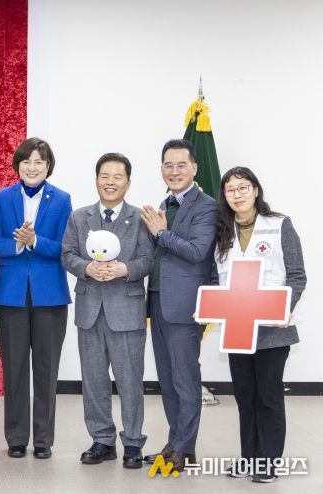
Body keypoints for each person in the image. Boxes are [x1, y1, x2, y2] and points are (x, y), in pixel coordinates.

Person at [62, 152, 155, 469]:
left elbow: (148, 260)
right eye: (105, 176)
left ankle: (133, 442)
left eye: (118, 176)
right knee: (94, 381)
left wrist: (125, 269)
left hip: (127, 310)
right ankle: (102, 440)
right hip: (89, 310)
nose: (110, 182)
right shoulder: (79, 217)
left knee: (130, 381)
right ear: (96, 180)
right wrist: (86, 268)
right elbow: (67, 255)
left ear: (128, 182)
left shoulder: (140, 218)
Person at [214, 167, 306, 483]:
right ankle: (249, 458)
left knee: (268, 397)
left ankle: (268, 462)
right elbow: (215, 278)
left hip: (272, 330)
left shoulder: (279, 224)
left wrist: (283, 309)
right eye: (230, 189)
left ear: (255, 190)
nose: (237, 194)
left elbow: (297, 275)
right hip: (237, 328)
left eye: (243, 187)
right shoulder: (221, 231)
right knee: (245, 397)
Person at [0, 138, 72, 460]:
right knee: (14, 367)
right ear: (18, 165)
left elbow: (65, 247)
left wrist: (35, 240)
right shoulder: (3, 197)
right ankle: (16, 437)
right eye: (26, 161)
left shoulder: (61, 199)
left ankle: (43, 440)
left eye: (39, 162)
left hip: (49, 294)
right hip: (11, 293)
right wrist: (18, 244)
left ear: (48, 166)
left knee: (47, 368)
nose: (32, 167)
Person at [140, 139, 217, 472]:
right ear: (161, 169)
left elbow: (197, 252)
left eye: (181, 165)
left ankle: (184, 448)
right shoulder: (166, 203)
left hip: (185, 306)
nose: (174, 171)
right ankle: (176, 444)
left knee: (185, 380)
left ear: (194, 168)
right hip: (158, 301)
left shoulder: (207, 206)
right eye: (168, 165)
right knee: (168, 380)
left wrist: (160, 233)